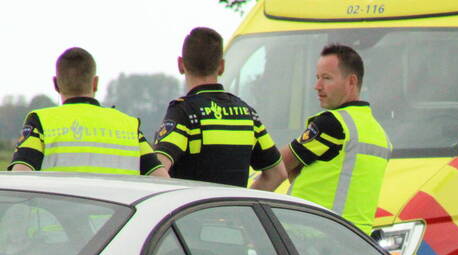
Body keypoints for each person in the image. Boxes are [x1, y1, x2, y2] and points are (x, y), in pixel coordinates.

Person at [272, 44, 391, 233]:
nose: (317, 86)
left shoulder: (333, 125)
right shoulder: (379, 134)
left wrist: (240, 210)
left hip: (311, 236)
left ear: (351, 82)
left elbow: (276, 167)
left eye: (326, 78)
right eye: (317, 77)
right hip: (355, 241)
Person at [153, 27, 285, 189]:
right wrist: (241, 205)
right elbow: (277, 174)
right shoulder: (247, 114)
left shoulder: (184, 113)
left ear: (181, 65)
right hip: (233, 214)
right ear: (221, 66)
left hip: (193, 214)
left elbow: (157, 169)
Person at [8, 47, 167, 177]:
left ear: (56, 84)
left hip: (60, 216)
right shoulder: (129, 127)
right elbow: (161, 180)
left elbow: (20, 178)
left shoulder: (41, 122)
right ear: (95, 83)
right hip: (125, 217)